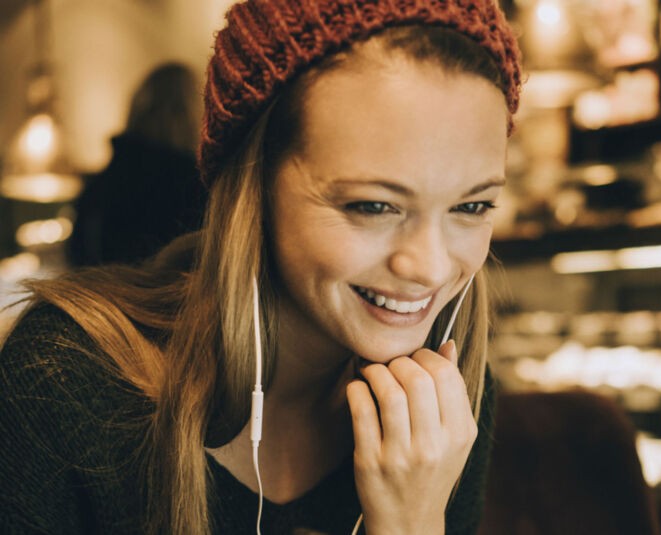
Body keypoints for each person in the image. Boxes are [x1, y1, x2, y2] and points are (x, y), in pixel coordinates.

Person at [0, 1, 522, 533]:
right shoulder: (68, 381)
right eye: (372, 206)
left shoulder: (448, 397)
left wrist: (412, 520)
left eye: (472, 207)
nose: (431, 268)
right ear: (254, 184)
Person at [68, 63, 207, 267]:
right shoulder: (195, 186)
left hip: (99, 296)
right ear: (193, 114)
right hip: (165, 297)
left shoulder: (102, 184)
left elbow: (76, 260)